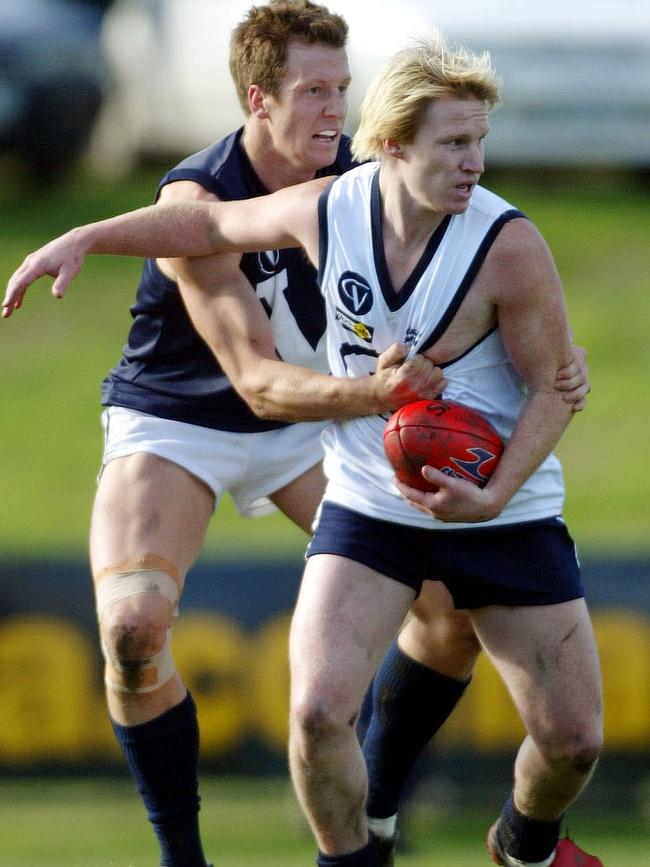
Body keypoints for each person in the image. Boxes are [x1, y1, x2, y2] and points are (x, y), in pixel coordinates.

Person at [2, 26, 600, 867]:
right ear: (261, 100)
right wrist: (82, 237)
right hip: (206, 421)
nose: (336, 109)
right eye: (315, 91)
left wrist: (526, 408)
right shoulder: (253, 199)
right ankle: (200, 858)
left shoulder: (451, 209)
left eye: (342, 88)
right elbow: (249, 362)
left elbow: (541, 367)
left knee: (499, 666)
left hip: (365, 442)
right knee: (169, 643)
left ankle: (415, 815)